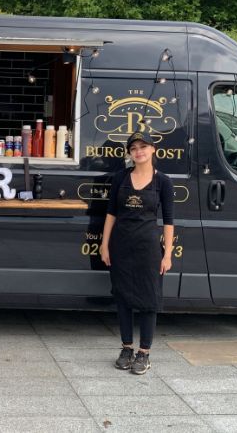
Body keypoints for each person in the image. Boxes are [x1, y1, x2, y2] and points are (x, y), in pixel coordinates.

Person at [100, 131, 174, 375]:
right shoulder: (120, 178)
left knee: (149, 299)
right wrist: (104, 244)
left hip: (149, 248)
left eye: (143, 146)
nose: (138, 151)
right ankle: (126, 348)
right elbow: (111, 213)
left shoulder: (163, 181)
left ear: (153, 150)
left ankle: (144, 353)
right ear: (129, 154)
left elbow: (169, 221)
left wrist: (167, 254)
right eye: (134, 148)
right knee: (122, 298)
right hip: (121, 246)